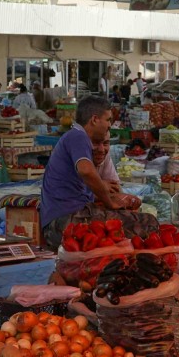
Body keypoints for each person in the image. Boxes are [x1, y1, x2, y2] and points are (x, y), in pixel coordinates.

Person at [39, 96, 142, 250]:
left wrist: (109, 193)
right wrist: (109, 202)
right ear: (94, 119)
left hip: (61, 220)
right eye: (107, 120)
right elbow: (86, 171)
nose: (109, 125)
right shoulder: (78, 136)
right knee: (145, 223)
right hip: (64, 222)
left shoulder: (74, 137)